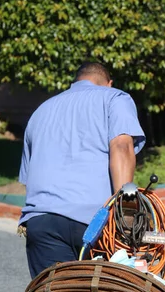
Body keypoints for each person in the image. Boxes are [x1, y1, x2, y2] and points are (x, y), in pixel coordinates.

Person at [18, 61, 146, 279]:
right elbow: (122, 146)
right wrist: (125, 208)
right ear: (108, 83)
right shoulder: (114, 98)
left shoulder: (42, 110)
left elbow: (28, 177)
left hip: (42, 221)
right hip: (93, 223)